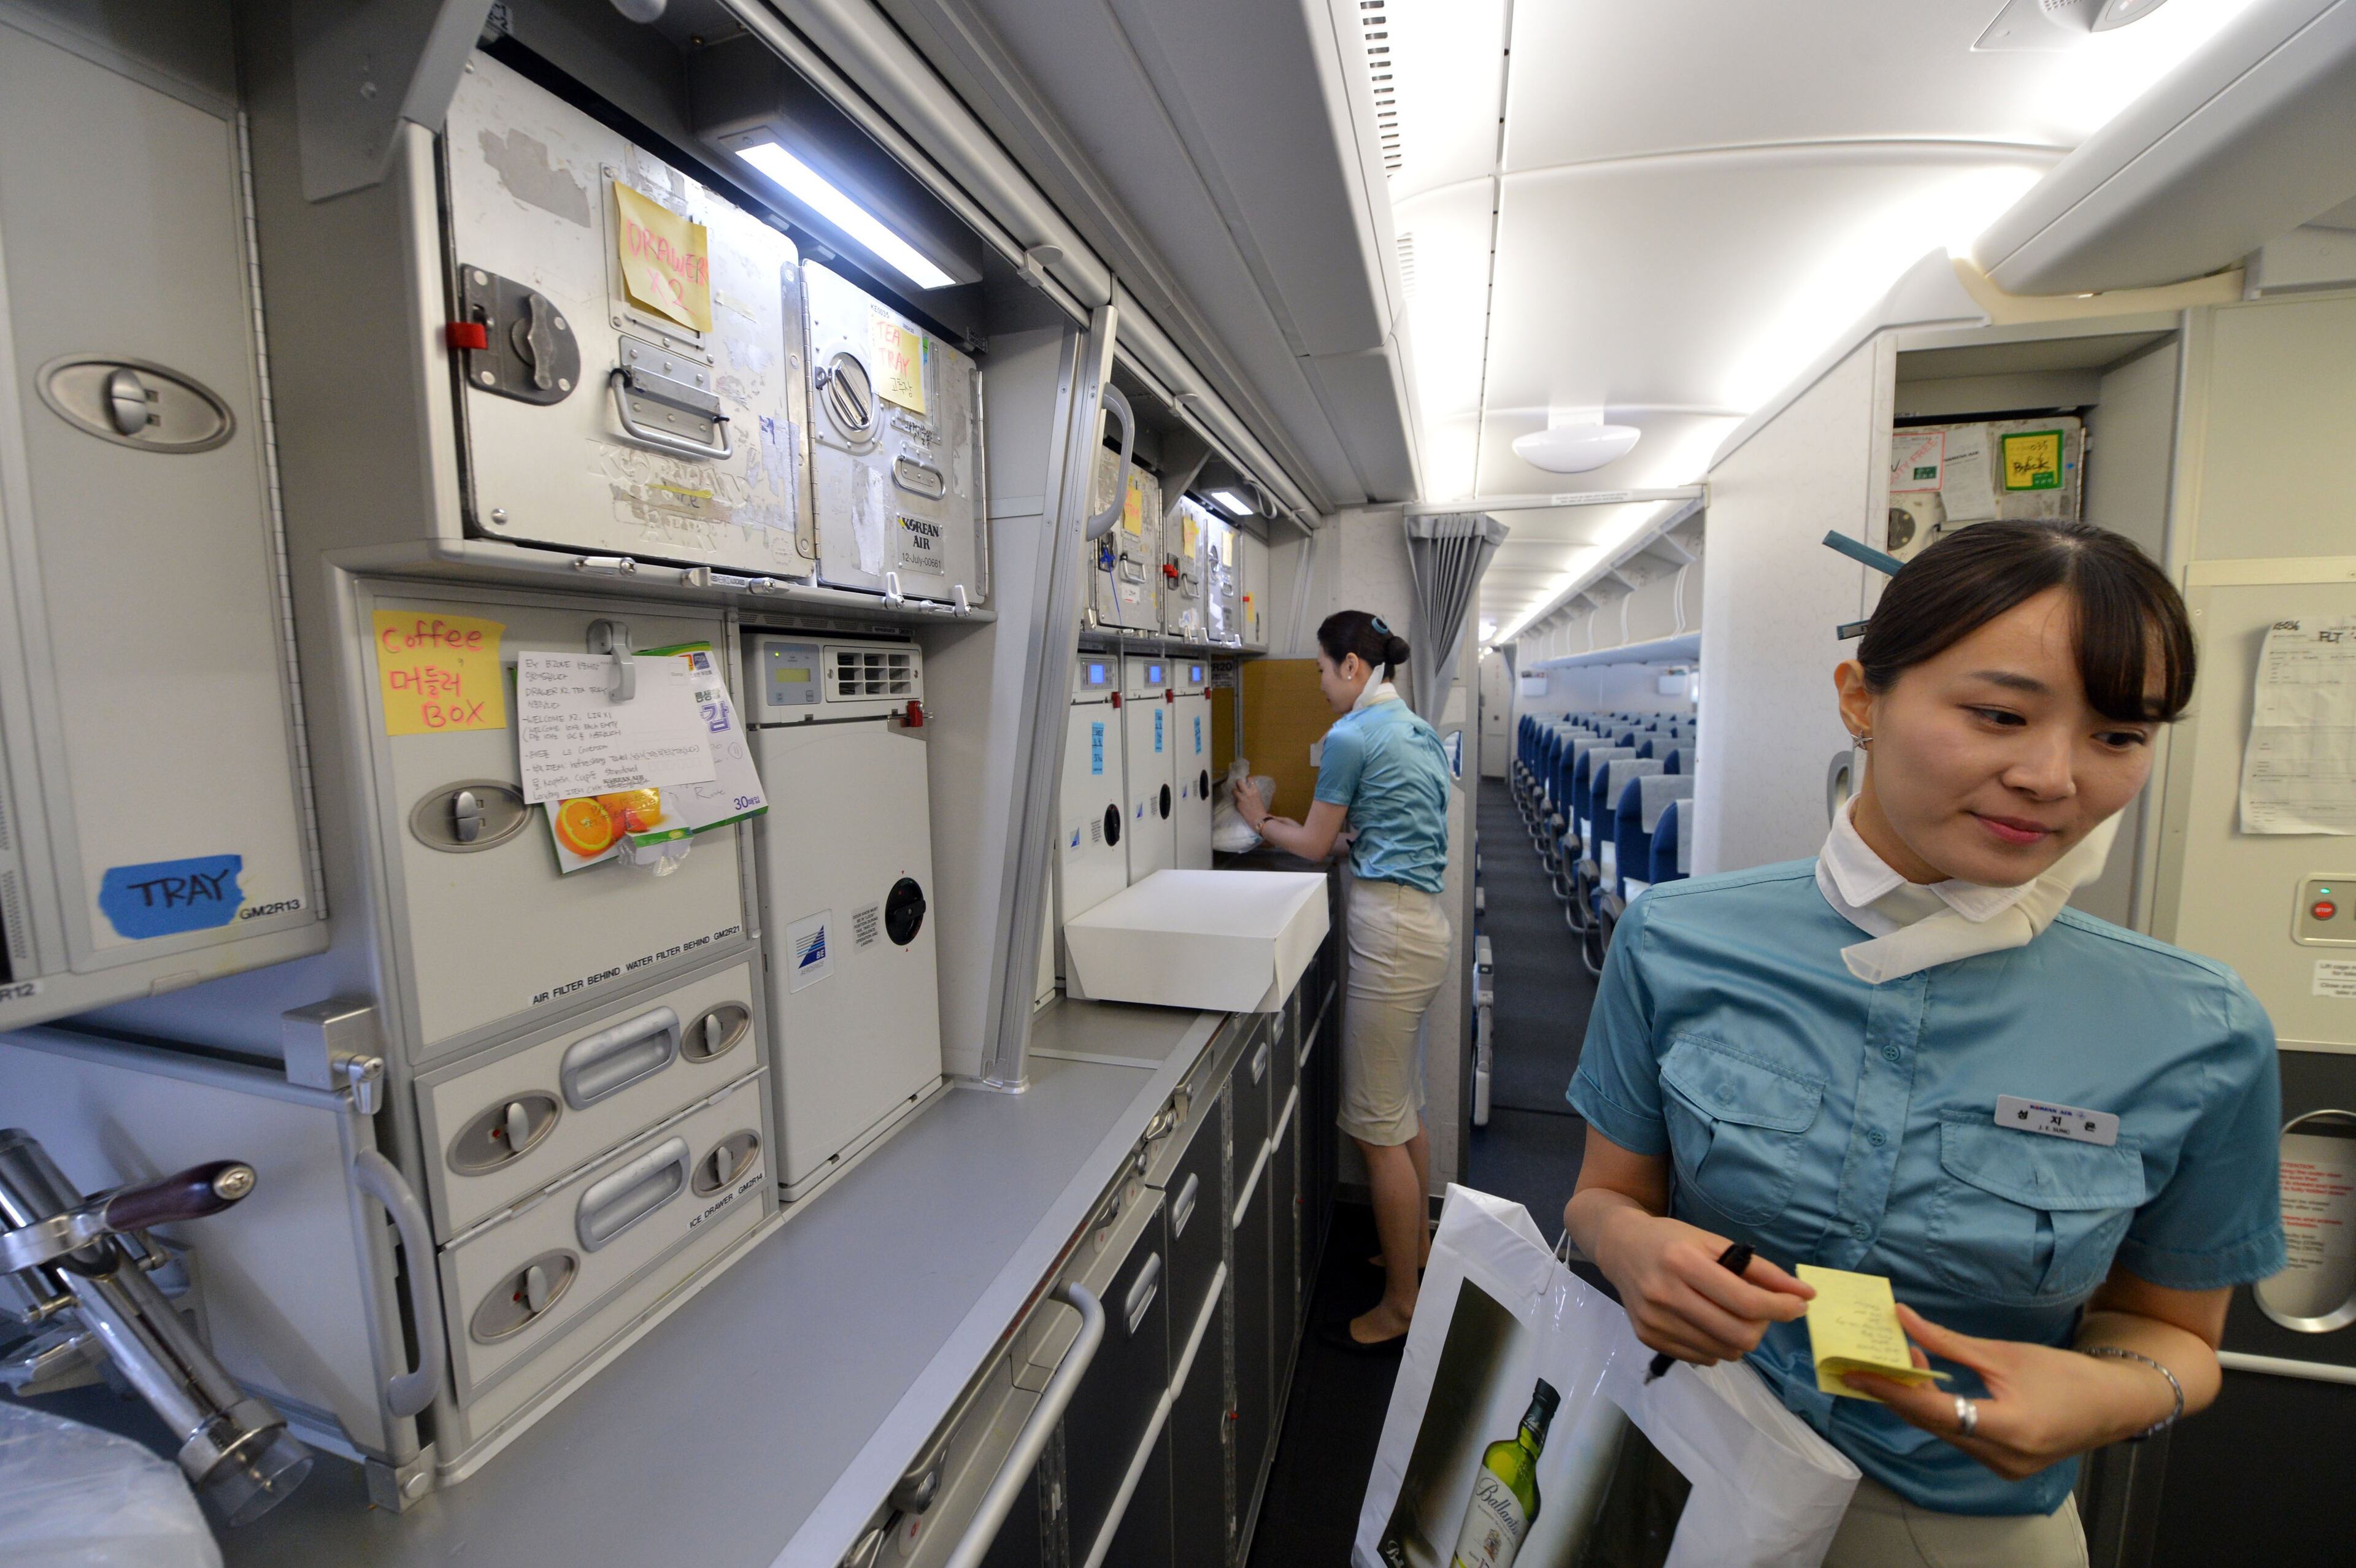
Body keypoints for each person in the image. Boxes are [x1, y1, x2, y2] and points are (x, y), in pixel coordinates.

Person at [1560, 521, 2285, 1567]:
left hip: (1963, 1524)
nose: (2052, 776)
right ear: (1862, 698)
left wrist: (2117, 1386)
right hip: (1683, 1461)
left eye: (2118, 737)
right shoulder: (1679, 939)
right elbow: (1604, 1196)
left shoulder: (2199, 1028)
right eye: (1999, 714)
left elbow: (2177, 1334)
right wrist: (1632, 1251)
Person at [1234, 610, 1454, 1350]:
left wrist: (1260, 818)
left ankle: (1402, 1306)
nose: (1322, 685)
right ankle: (1416, 1252)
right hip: (1423, 926)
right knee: (1405, 1107)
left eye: (1325, 672)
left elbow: (1314, 845)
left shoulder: (1354, 736)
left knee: (1376, 1129)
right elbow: (1403, 820)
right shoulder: (1412, 727)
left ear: (1353, 668)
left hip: (1391, 936)